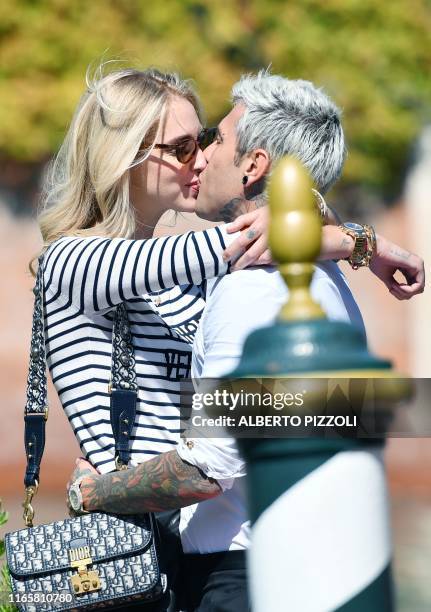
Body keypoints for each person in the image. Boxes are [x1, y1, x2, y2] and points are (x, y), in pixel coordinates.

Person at [68, 71, 425, 611]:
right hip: (239, 563)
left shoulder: (249, 289)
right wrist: (353, 241)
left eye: (212, 140)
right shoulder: (81, 261)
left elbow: (210, 464)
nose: (203, 157)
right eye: (186, 145)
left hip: (236, 575)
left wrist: (92, 493)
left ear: (254, 165)